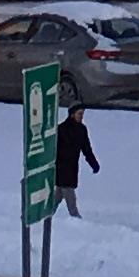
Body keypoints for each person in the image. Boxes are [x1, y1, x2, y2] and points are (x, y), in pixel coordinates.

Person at [51, 89, 98, 218]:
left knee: (59, 195)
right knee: (70, 196)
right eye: (79, 113)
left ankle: (47, 214)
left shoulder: (82, 130)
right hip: (62, 167)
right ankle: (76, 219)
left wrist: (93, 164)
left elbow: (86, 149)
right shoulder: (61, 129)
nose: (81, 116)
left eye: (82, 114)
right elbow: (53, 148)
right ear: (72, 114)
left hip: (71, 168)